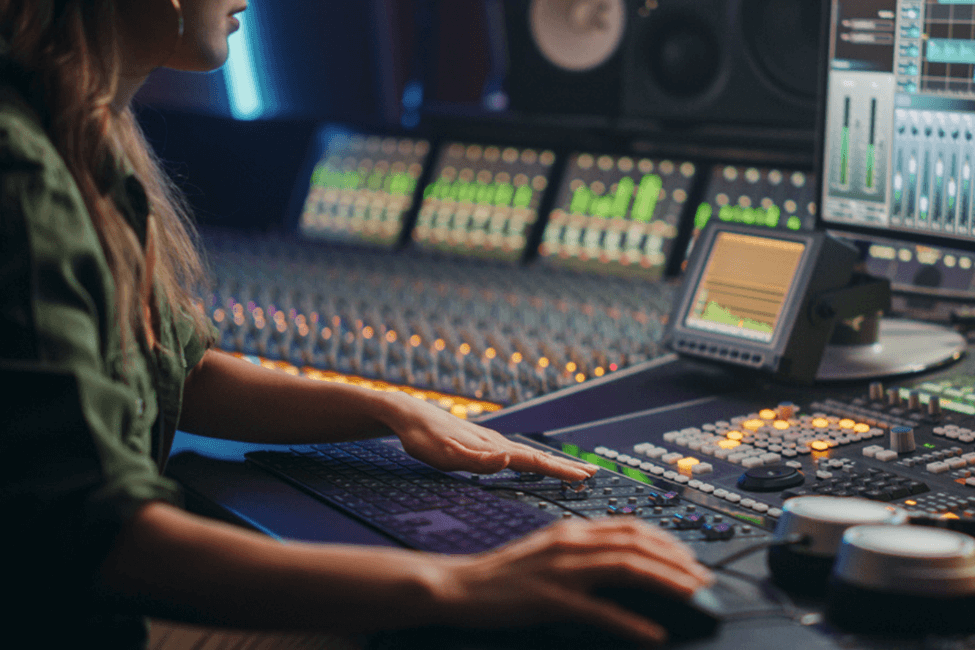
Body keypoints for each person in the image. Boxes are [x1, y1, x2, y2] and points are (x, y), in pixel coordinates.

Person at [0, 0, 713, 648]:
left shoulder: (83, 133)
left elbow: (184, 371)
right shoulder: (23, 174)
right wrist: (461, 585)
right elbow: (100, 537)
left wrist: (390, 408)